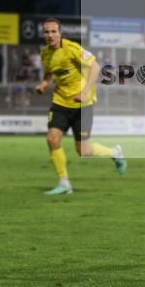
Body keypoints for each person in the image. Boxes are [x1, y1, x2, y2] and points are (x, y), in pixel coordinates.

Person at [36, 17, 126, 195]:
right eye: (46, 32)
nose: (50, 35)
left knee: (83, 150)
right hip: (60, 102)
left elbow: (95, 67)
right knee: (52, 139)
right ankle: (64, 183)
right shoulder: (44, 54)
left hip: (82, 105)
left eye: (53, 31)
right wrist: (44, 83)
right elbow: (50, 73)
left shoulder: (71, 48)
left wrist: (84, 92)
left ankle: (115, 153)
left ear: (60, 33)